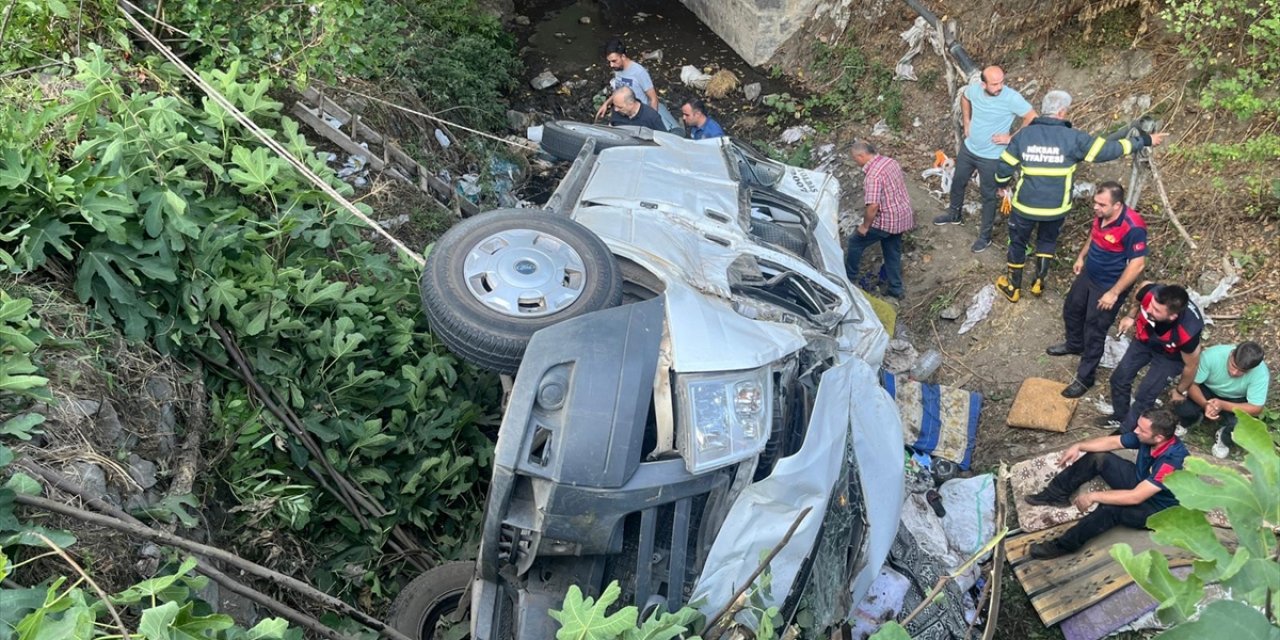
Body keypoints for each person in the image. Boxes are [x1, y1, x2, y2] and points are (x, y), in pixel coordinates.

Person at [992, 90, 1168, 302]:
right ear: (1062, 111)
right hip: (1056, 207)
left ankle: (1013, 287)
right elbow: (1109, 150)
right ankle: (1039, 282)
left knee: (1018, 242)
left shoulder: (1024, 135)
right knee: (1047, 240)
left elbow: (1004, 166)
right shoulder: (1074, 138)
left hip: (1025, 206)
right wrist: (1145, 140)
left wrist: (1001, 186)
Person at [1024, 409, 1186, 559]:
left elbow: (1136, 497)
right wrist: (1079, 446)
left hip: (1157, 508)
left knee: (1111, 508)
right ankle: (1054, 494)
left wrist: (1094, 496)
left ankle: (1064, 545)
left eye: (1142, 430)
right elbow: (1113, 442)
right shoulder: (1148, 437)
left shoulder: (1172, 461)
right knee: (1098, 457)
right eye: (1137, 426)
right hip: (1141, 482)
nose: (1136, 431)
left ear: (1159, 438)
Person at [1049, 181, 1147, 399]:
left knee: (1094, 329)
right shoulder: (1101, 215)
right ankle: (1075, 344)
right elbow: (1094, 235)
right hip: (1089, 274)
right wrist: (1081, 256)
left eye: (1102, 205)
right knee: (1072, 309)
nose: (1096, 208)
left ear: (1118, 205)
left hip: (1109, 284)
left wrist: (1113, 293)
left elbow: (1137, 264)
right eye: (1095, 203)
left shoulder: (1133, 227)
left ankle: (1085, 377)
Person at [932, 66, 1036, 253]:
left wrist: (1012, 138)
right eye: (995, 84)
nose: (1000, 87)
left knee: (988, 195)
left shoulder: (1011, 97)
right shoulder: (975, 91)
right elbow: (965, 97)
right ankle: (954, 214)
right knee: (958, 182)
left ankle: (985, 236)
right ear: (983, 84)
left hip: (992, 156)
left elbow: (1032, 117)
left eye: (1002, 82)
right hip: (970, 148)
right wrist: (967, 122)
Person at [1102, 282, 1203, 433]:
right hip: (1144, 340)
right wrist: (1130, 315)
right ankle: (1120, 415)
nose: (1148, 308)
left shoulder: (1188, 332)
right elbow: (1140, 292)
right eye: (1150, 305)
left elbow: (1191, 365)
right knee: (1119, 378)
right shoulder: (1151, 292)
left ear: (1172, 316)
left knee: (1145, 395)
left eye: (1156, 310)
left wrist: (1180, 390)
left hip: (1170, 357)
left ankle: (1126, 431)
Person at [845, 141, 915, 300]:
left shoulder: (873, 176)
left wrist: (864, 226)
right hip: (902, 216)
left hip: (887, 220)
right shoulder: (890, 162)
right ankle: (896, 289)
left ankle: (849, 280)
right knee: (892, 251)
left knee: (855, 242)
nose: (855, 162)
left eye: (855, 158)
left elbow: (873, 206)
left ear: (861, 156)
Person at [1174, 342, 1269, 450]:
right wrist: (1206, 404)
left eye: (1242, 371)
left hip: (1236, 398)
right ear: (1231, 354)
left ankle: (1225, 438)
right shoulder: (1212, 355)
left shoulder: (1261, 374)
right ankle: (1188, 421)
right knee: (1183, 406)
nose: (1234, 373)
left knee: (1244, 423)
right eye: (1233, 365)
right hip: (1208, 389)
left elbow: (1256, 408)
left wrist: (1222, 405)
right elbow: (1191, 384)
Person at [595, 38, 658, 120]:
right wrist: (606, 104)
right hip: (622, 111)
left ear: (623, 56)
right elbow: (618, 91)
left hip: (638, 114)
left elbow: (653, 98)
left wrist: (651, 120)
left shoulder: (639, 72)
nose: (611, 65)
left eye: (614, 61)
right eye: (609, 62)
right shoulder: (618, 69)